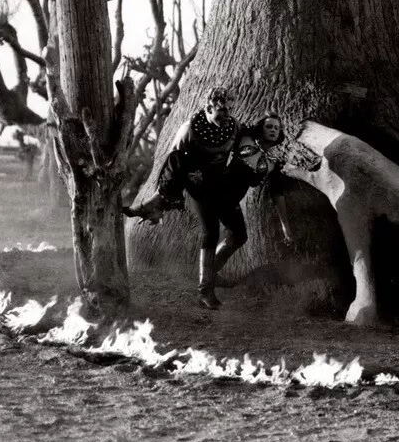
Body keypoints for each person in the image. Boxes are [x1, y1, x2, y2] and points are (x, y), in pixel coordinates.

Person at [123, 91, 292, 309]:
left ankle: (211, 272)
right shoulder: (244, 138)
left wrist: (286, 227)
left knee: (240, 235)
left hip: (231, 201)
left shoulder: (271, 160)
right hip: (210, 189)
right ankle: (205, 290)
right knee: (210, 233)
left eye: (277, 128)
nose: (273, 130)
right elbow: (187, 154)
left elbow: (277, 193)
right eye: (269, 126)